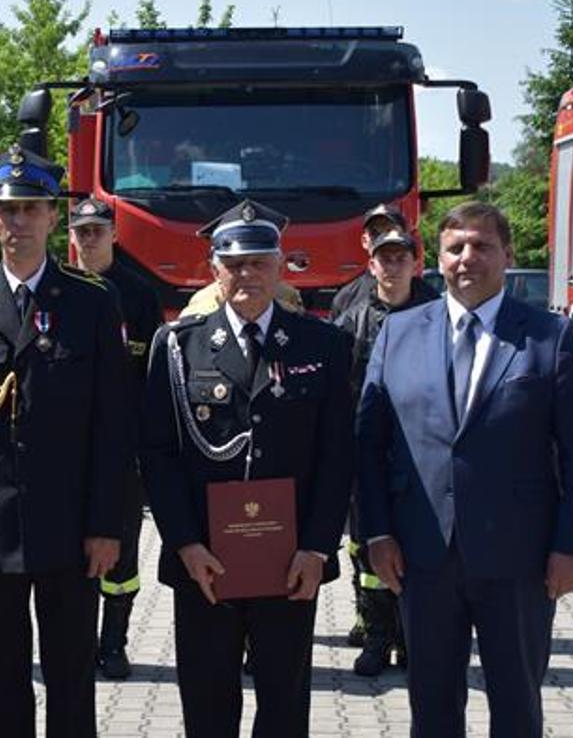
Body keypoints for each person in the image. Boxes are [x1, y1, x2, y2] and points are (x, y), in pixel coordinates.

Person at [355, 201, 573, 737]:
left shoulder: (549, 337)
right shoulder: (398, 333)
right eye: (455, 248)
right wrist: (375, 532)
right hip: (423, 555)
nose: (468, 258)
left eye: (482, 246)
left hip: (520, 560)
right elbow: (369, 446)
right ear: (436, 260)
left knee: (516, 707)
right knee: (433, 708)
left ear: (508, 255)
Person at [0, 145, 130, 737]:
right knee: (1, 676)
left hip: (71, 527)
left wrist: (107, 524)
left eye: (30, 208)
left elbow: (113, 426)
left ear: (52, 216)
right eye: (7, 210)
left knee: (72, 676)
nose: (18, 222)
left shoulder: (93, 302)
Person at [138, 200, 354, 736]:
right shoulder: (178, 347)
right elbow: (158, 454)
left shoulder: (323, 346)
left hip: (290, 563)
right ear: (214, 270)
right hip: (206, 563)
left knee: (284, 707)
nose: (247, 274)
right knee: (208, 705)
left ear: (281, 267)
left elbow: (338, 456)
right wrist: (185, 544)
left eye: (259, 262)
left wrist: (317, 547)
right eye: (234, 264)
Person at [331, 226, 436, 677]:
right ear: (370, 264)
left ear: (416, 263)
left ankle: (413, 638)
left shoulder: (437, 314)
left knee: (418, 543)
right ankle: (376, 636)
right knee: (366, 546)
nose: (392, 266)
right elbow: (335, 389)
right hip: (366, 452)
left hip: (420, 453)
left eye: (400, 258)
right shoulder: (351, 319)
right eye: (384, 258)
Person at [67, 197, 162, 681]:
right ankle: (79, 643)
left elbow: (152, 371)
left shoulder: (138, 292)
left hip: (122, 445)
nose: (88, 240)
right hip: (68, 446)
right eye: (80, 232)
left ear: (113, 234)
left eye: (96, 231)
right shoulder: (60, 288)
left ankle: (114, 643)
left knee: (122, 550)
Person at [330, 203, 414, 316]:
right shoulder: (347, 298)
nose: (383, 238)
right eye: (375, 233)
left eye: (389, 231)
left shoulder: (428, 298)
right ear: (364, 241)